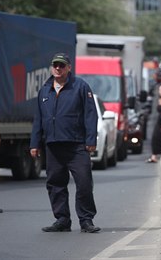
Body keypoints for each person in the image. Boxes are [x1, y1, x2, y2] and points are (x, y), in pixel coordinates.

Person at [30, 53, 101, 233]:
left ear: (69, 67)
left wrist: (91, 140)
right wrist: (34, 143)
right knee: (55, 184)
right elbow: (38, 119)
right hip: (53, 146)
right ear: (51, 67)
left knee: (84, 183)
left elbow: (90, 115)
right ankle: (62, 220)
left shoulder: (81, 87)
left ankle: (86, 220)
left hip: (77, 145)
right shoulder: (45, 90)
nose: (58, 68)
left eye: (62, 65)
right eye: (55, 65)